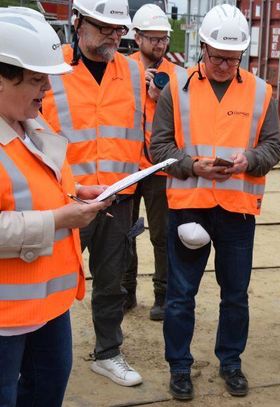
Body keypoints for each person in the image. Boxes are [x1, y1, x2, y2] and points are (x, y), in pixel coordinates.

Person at [150, 4, 280, 401]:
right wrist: (193, 165)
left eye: (232, 58)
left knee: (235, 294)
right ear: (202, 49)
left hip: (237, 211)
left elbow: (273, 146)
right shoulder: (176, 89)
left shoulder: (260, 92)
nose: (224, 65)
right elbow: (158, 148)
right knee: (180, 296)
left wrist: (249, 160)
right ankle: (179, 367)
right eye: (217, 57)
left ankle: (231, 362)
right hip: (189, 207)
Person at [0, 8, 111, 406]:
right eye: (36, 79)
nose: (47, 88)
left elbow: (35, 186)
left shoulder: (33, 124)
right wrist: (59, 219)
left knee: (46, 391)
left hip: (49, 306)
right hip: (6, 317)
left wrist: (77, 192)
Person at [41, 0, 146, 387]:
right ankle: (35, 353)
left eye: (119, 30)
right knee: (49, 279)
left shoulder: (133, 72)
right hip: (64, 200)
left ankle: (108, 352)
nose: (113, 37)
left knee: (111, 281)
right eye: (104, 28)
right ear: (78, 22)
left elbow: (143, 130)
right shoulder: (51, 67)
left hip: (118, 197)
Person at [122, 4, 175, 321]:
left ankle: (163, 296)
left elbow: (185, 117)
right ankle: (125, 292)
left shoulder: (176, 75)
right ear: (137, 37)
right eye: (153, 38)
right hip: (127, 166)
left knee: (162, 234)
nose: (159, 44)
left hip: (159, 167)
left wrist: (160, 97)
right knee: (124, 233)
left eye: (163, 39)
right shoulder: (122, 69)